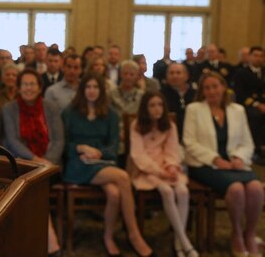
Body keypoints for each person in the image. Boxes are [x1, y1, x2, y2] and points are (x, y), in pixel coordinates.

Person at [62, 72, 153, 256]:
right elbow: (63, 145)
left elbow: (114, 147)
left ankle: (108, 237)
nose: (92, 91)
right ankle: (134, 235)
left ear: (102, 90)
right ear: (82, 89)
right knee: (122, 176)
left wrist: (99, 152)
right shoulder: (69, 112)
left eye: (96, 87)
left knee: (114, 193)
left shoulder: (110, 115)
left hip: (103, 162)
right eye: (88, 87)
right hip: (78, 164)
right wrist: (80, 147)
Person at [184, 72, 263, 256]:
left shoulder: (238, 110)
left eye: (215, 86)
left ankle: (249, 234)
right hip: (204, 164)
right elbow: (189, 142)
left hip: (234, 164)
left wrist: (239, 158)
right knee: (236, 189)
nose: (212, 91)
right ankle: (236, 233)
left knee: (256, 188)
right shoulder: (194, 109)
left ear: (223, 87)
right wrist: (215, 159)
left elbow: (247, 142)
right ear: (202, 91)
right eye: (207, 88)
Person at [2, 69, 64, 256]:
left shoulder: (51, 107)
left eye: (32, 84)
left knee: (34, 186)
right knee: (33, 186)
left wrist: (47, 162)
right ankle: (51, 242)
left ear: (39, 87)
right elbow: (12, 141)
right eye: (25, 84)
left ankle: (36, 242)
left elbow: (59, 139)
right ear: (19, 88)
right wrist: (35, 160)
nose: (28, 88)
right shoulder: (9, 108)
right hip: (24, 163)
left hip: (51, 165)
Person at [128, 91, 197, 257]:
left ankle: (178, 243)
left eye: (159, 105)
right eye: (152, 105)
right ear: (145, 108)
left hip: (166, 167)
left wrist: (172, 167)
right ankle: (185, 242)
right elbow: (138, 155)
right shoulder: (137, 125)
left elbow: (172, 151)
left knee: (182, 191)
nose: (156, 109)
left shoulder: (170, 125)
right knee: (166, 191)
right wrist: (159, 172)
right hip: (145, 170)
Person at [233, 46, 265, 164]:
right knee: (256, 116)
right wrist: (257, 104)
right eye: (255, 55)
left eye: (261, 56)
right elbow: (240, 94)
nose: (258, 58)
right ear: (250, 57)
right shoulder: (241, 73)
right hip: (249, 105)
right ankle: (256, 149)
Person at [110, 60, 144, 164]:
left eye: (131, 74)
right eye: (125, 73)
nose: (128, 77)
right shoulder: (111, 94)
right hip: (115, 136)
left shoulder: (142, 96)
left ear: (137, 76)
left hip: (136, 136)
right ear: (120, 74)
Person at [161, 63, 196, 141]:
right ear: (167, 76)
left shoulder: (195, 94)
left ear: (186, 76)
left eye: (178, 73)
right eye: (171, 73)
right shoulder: (160, 95)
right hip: (169, 137)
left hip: (194, 135)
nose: (175, 76)